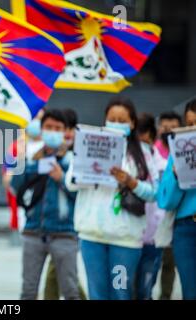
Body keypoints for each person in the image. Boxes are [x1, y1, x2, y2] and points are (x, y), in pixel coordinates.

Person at [65, 96, 158, 300]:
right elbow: (70, 182)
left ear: (132, 123)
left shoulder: (144, 153)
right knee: (97, 294)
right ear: (105, 119)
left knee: (120, 292)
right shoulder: (88, 144)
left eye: (122, 120)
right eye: (112, 119)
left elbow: (155, 192)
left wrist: (131, 182)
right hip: (92, 235)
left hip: (125, 239)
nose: (116, 123)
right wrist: (91, 172)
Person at [11, 109, 80, 300]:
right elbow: (17, 188)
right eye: (49, 127)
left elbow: (80, 196)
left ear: (65, 131)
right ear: (41, 130)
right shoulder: (33, 158)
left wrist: (62, 178)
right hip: (33, 231)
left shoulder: (73, 160)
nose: (53, 131)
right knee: (28, 291)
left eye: (58, 128)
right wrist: (20, 161)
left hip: (64, 233)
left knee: (70, 290)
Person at [43, 108, 86, 300]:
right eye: (64, 129)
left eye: (69, 129)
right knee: (60, 274)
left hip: (70, 226)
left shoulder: (79, 155)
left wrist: (62, 178)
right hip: (54, 226)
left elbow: (77, 191)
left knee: (65, 278)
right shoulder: (51, 153)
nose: (67, 134)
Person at [157, 99, 196, 300]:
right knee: (190, 292)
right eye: (190, 124)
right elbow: (165, 202)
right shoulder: (177, 153)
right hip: (186, 229)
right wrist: (175, 176)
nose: (194, 129)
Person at [134, 113, 175, 299]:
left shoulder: (165, 166)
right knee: (122, 286)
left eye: (143, 136)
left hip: (153, 237)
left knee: (145, 289)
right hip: (126, 237)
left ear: (151, 136)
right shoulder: (125, 163)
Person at [153, 111, 182, 300]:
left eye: (173, 127)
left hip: (173, 218)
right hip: (151, 220)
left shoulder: (182, 152)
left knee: (169, 264)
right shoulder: (151, 150)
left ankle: (165, 296)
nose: (168, 130)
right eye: (164, 126)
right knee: (150, 263)